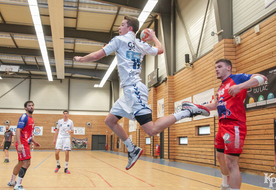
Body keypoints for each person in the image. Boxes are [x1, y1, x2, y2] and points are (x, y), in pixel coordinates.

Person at [74, 15, 210, 170]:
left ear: (129, 28)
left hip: (134, 89)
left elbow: (98, 55)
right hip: (128, 92)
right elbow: (160, 50)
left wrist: (82, 59)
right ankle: (132, 149)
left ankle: (187, 111)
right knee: (110, 121)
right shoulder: (140, 43)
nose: (119, 27)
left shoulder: (119, 40)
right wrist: (154, 37)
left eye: (122, 24)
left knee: (151, 130)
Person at [203, 59, 267, 190]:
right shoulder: (221, 87)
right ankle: (225, 185)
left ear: (228, 68)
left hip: (234, 125)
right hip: (222, 125)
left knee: (231, 162)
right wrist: (198, 108)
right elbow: (216, 105)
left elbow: (262, 78)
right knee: (220, 157)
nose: (216, 69)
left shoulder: (238, 78)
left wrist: (240, 86)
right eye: (215, 67)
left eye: (219, 66)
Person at [7, 101, 40, 190]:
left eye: (32, 105)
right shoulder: (24, 117)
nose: (31, 107)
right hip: (23, 143)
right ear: (25, 108)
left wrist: (34, 142)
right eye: (29, 106)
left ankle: (12, 181)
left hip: (25, 143)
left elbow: (28, 133)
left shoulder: (32, 119)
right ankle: (18, 185)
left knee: (20, 163)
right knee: (27, 163)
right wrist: (20, 144)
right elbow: (18, 130)